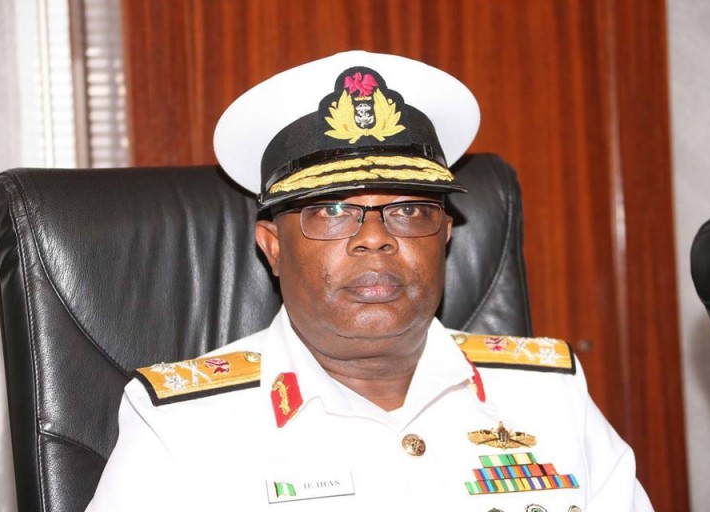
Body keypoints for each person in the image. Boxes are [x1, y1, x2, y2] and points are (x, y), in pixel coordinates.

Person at [87, 51, 653, 511]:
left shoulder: (550, 396)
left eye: (409, 209)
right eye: (332, 211)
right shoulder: (184, 427)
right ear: (273, 247)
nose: (375, 238)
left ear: (445, 235)